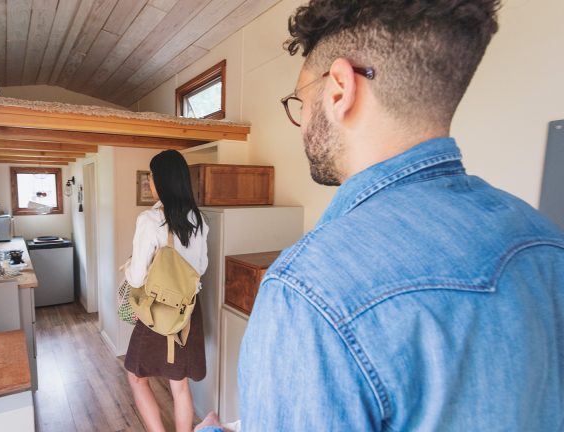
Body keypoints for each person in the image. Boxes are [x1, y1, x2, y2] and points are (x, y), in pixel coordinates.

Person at [197, 0, 564, 431]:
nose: (302, 121)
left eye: (301, 100)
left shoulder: (309, 288)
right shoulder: (547, 242)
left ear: (339, 89)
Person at [124, 149, 209, 432]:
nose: (150, 182)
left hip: (157, 310)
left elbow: (137, 277)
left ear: (161, 181)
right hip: (187, 311)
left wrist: (128, 266)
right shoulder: (199, 219)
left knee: (136, 375)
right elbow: (201, 268)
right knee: (179, 383)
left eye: (151, 177)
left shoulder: (150, 220)